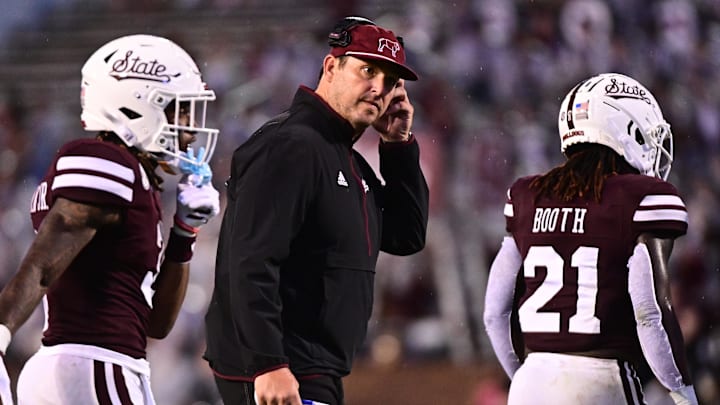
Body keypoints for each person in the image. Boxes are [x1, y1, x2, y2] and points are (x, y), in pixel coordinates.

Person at [203, 16, 429, 405]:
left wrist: (398, 145)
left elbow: (406, 235)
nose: (379, 88)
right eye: (367, 70)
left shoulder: (342, 157)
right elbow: (250, 260)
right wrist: (267, 364)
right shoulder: (292, 145)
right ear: (330, 67)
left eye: (390, 81)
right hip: (280, 371)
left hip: (310, 368)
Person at [0, 34, 221, 404]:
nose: (188, 128)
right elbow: (42, 264)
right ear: (135, 105)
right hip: (91, 364)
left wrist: (184, 232)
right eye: (179, 110)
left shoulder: (135, 180)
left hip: (96, 366)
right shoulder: (106, 161)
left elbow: (156, 324)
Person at [483, 72, 698, 405]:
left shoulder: (528, 194)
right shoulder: (643, 198)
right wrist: (683, 393)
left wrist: (525, 377)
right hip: (601, 380)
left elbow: (494, 313)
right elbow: (649, 311)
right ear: (627, 130)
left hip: (531, 381)